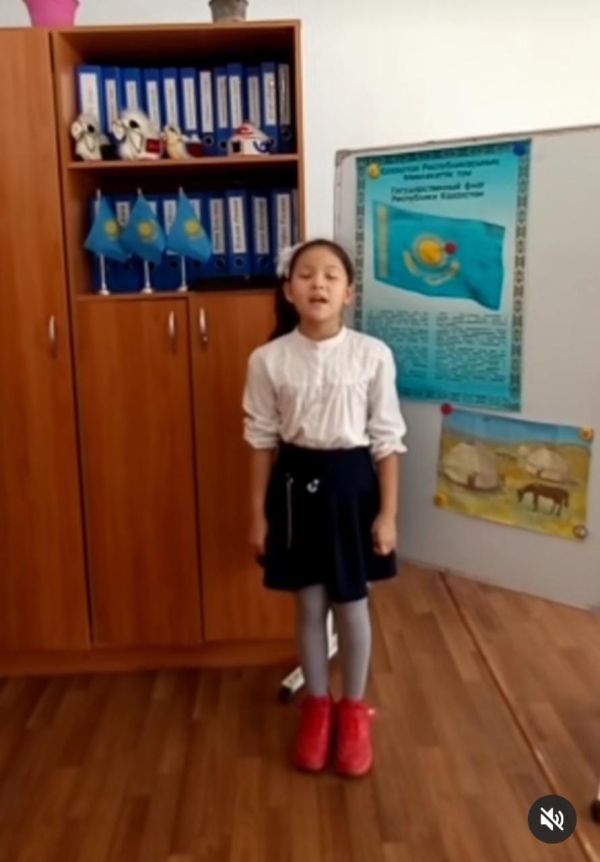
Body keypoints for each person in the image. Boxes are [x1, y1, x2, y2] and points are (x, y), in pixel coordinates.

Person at [242, 238, 407, 777]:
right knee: (309, 605)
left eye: (331, 275)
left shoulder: (372, 354)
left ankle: (353, 711)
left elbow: (388, 442)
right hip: (294, 489)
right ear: (289, 290)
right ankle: (317, 706)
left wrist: (388, 515)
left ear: (349, 293)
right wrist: (257, 514)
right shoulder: (267, 359)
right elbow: (261, 440)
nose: (318, 283)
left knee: (352, 604)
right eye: (306, 274)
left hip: (352, 489)